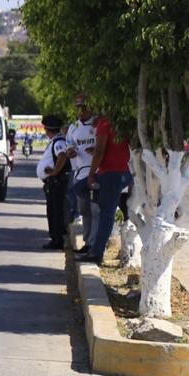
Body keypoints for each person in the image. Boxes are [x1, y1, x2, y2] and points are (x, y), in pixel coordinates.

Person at [81, 112, 132, 264]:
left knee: (106, 213)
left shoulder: (105, 123)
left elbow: (99, 150)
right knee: (106, 211)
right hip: (122, 172)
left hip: (112, 173)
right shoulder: (122, 122)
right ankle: (96, 249)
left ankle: (97, 252)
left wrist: (91, 175)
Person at [64, 95, 98, 254]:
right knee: (84, 210)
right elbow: (69, 146)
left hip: (97, 173)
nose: (81, 111)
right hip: (80, 174)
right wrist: (70, 151)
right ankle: (87, 242)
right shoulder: (73, 128)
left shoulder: (99, 124)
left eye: (84, 107)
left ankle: (94, 242)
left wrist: (97, 151)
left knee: (96, 209)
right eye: (79, 107)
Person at [37, 115, 70, 250]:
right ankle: (56, 238)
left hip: (56, 182)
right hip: (53, 182)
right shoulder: (55, 141)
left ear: (47, 129)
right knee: (53, 211)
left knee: (55, 212)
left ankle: (57, 240)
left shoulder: (58, 142)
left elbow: (62, 155)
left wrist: (55, 171)